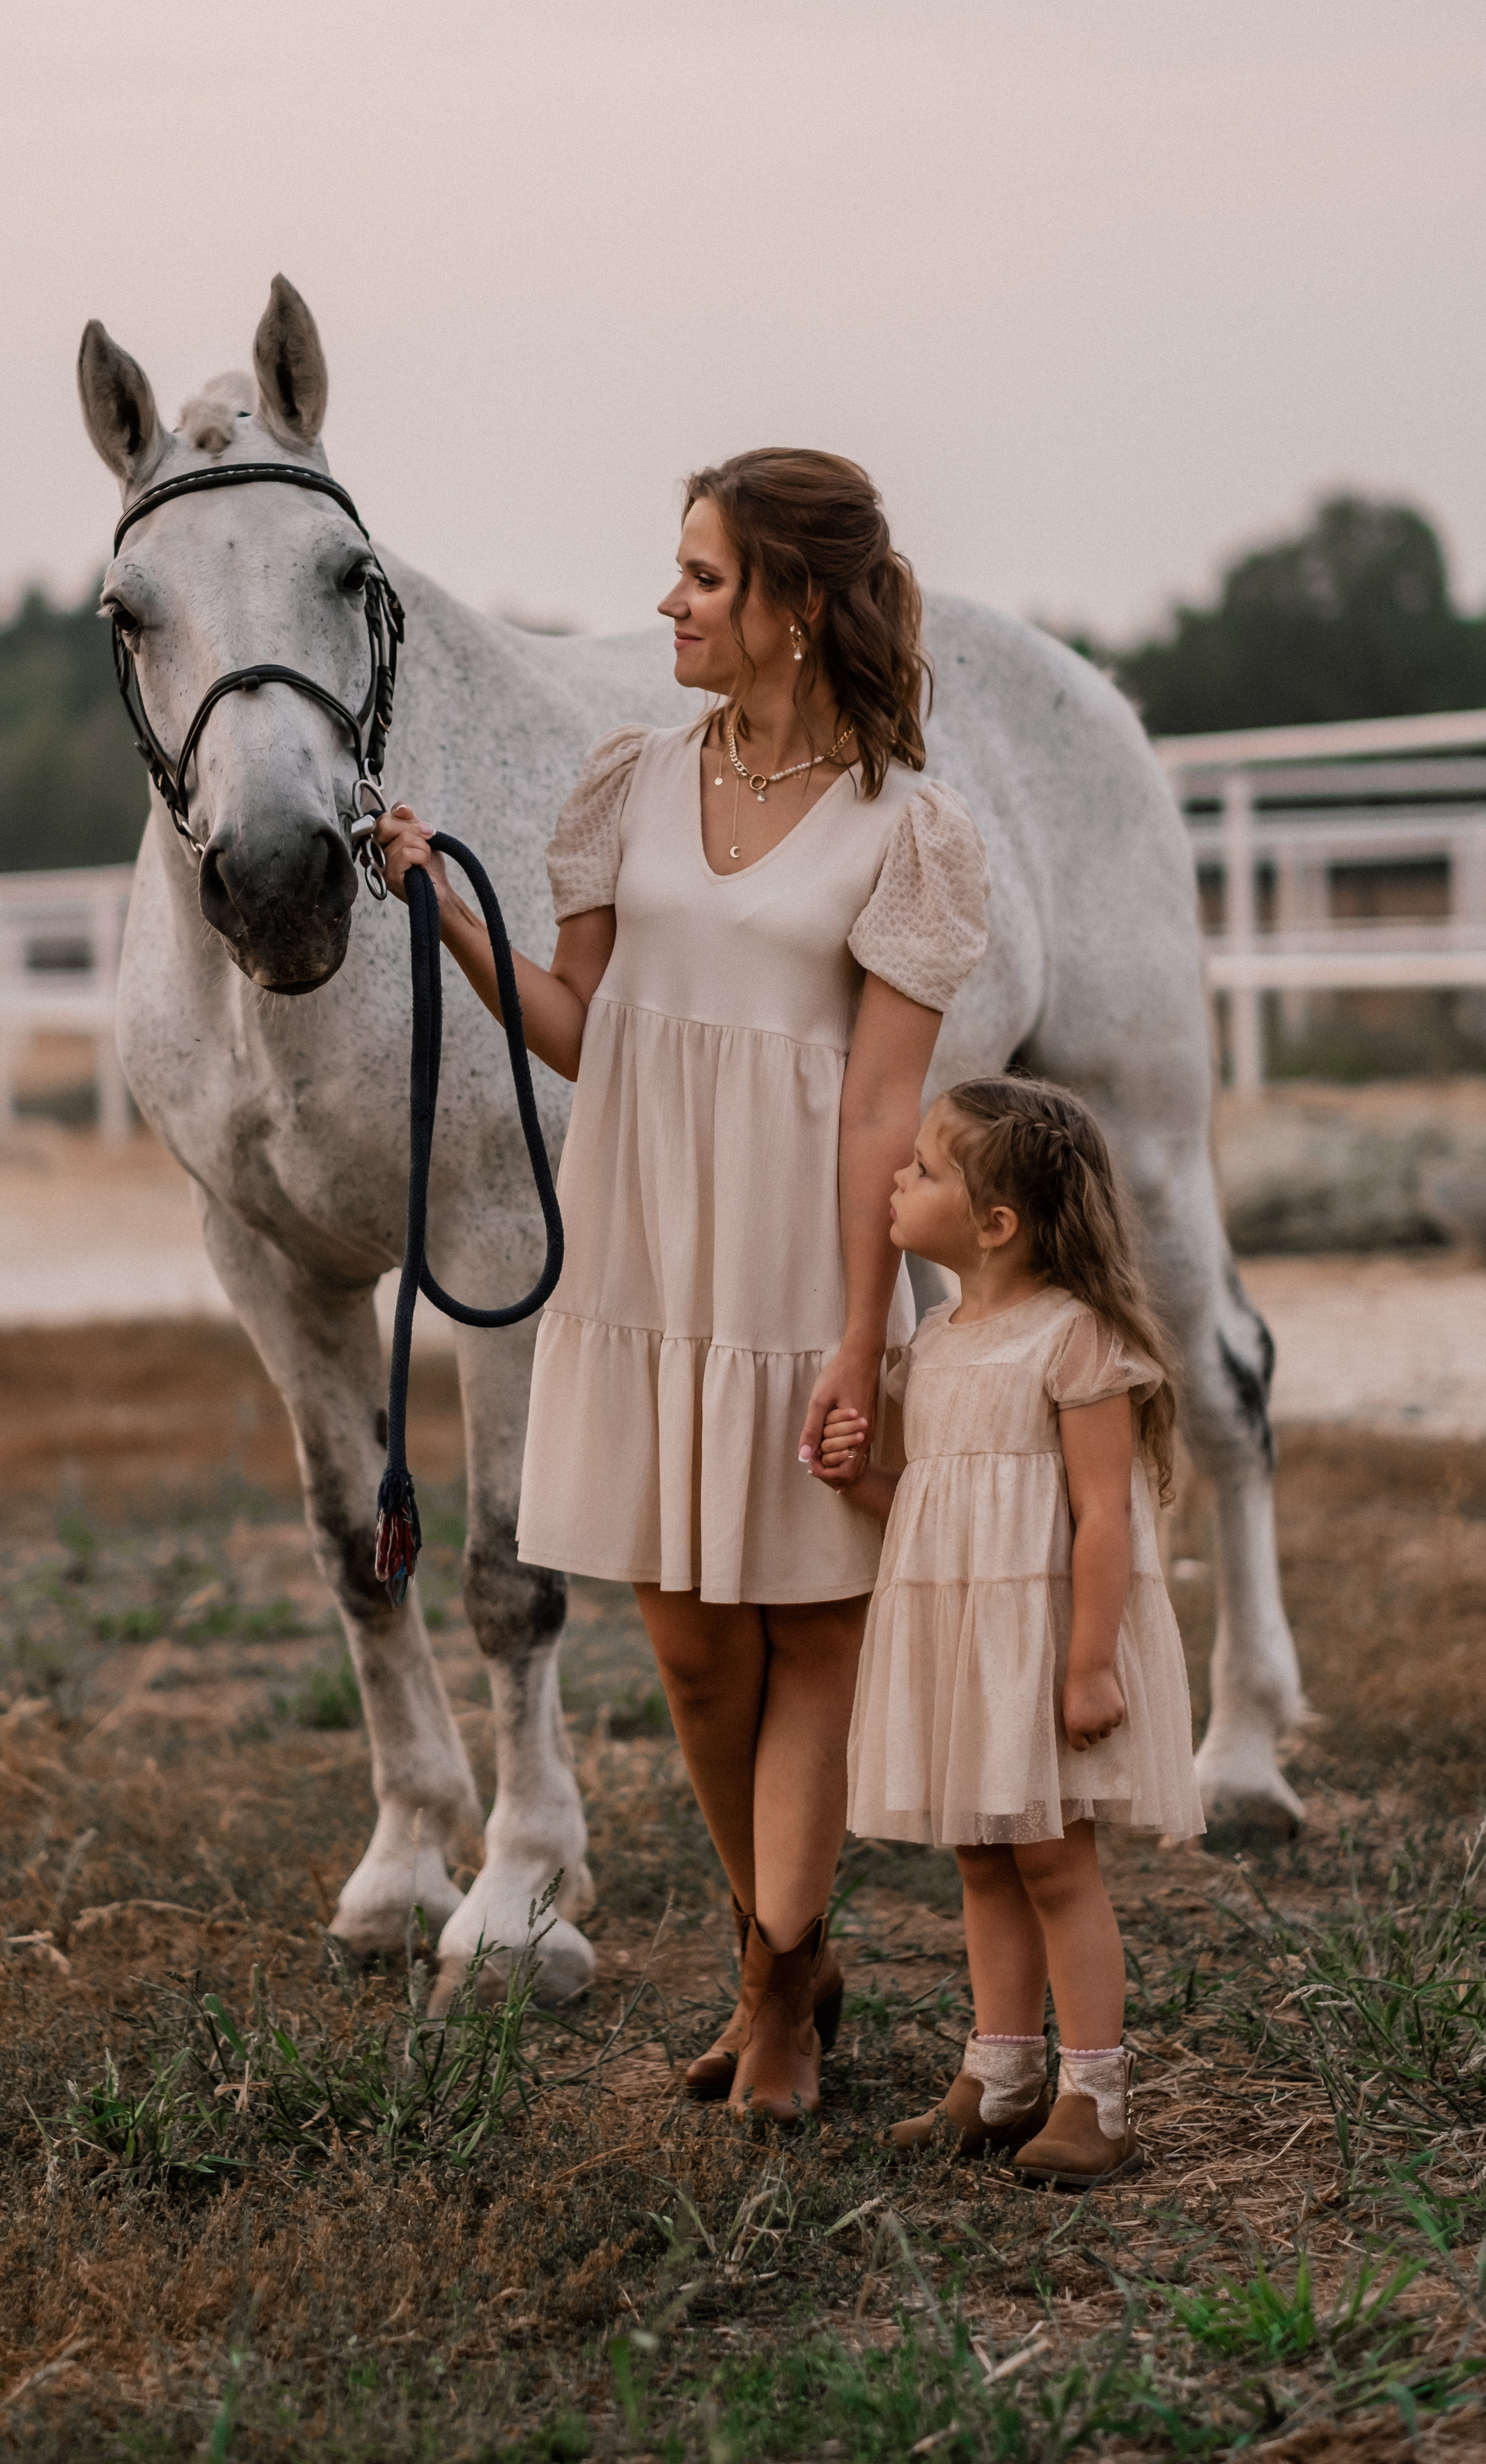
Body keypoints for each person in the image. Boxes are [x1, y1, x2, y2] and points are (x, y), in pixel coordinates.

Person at [377, 448, 988, 2121]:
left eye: (703, 577)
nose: (668, 602)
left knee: (812, 1628)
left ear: (792, 604)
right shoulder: (629, 782)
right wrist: (442, 911)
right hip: (644, 1258)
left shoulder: (904, 828)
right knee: (696, 1654)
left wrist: (860, 1342)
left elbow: (880, 1109)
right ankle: (780, 1948)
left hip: (802, 1271)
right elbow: (584, 1029)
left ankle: (778, 1990)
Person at [813, 1075, 1203, 2186]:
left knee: (1054, 1863)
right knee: (983, 1858)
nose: (897, 1179)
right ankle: (1000, 2078)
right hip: (964, 1646)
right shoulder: (935, 1341)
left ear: (994, 1223)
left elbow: (1104, 1516)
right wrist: (857, 1479)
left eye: (924, 1169)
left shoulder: (1076, 1342)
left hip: (1044, 1646)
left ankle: (1096, 2095)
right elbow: (934, 1504)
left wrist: (1090, 1665)